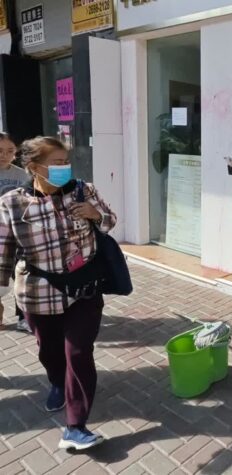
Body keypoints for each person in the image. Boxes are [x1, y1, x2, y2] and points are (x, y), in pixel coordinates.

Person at [0, 136, 117, 450]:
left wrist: (95, 214)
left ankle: (75, 426)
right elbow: (3, 251)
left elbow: (110, 221)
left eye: (66, 161)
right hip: (38, 292)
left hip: (83, 289)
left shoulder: (84, 191)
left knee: (78, 352)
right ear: (34, 167)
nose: (65, 167)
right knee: (50, 351)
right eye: (57, 163)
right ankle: (56, 381)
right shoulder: (12, 203)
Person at [0, 132, 31, 332]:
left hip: (18, 235)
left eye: (10, 150)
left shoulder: (23, 175)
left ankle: (23, 317)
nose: (4, 155)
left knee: (21, 274)